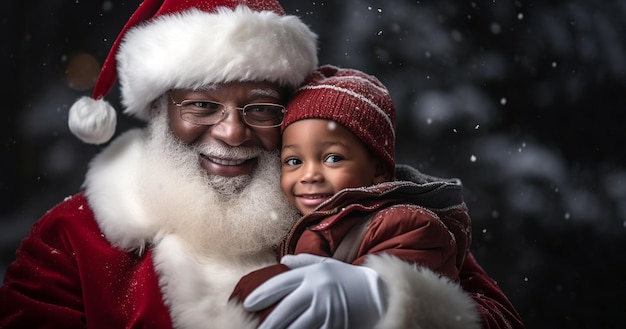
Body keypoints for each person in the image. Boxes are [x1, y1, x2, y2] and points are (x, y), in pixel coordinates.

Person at [0, 0, 524, 328]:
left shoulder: (347, 206)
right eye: (201, 105)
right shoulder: (73, 240)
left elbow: (497, 317)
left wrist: (391, 301)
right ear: (159, 110)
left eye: (259, 107)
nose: (231, 132)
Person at [231, 64, 480, 328]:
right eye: (293, 161)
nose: (310, 175)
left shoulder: (404, 223)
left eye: (333, 158)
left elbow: (422, 304)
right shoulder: (285, 223)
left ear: (379, 170)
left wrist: (379, 291)